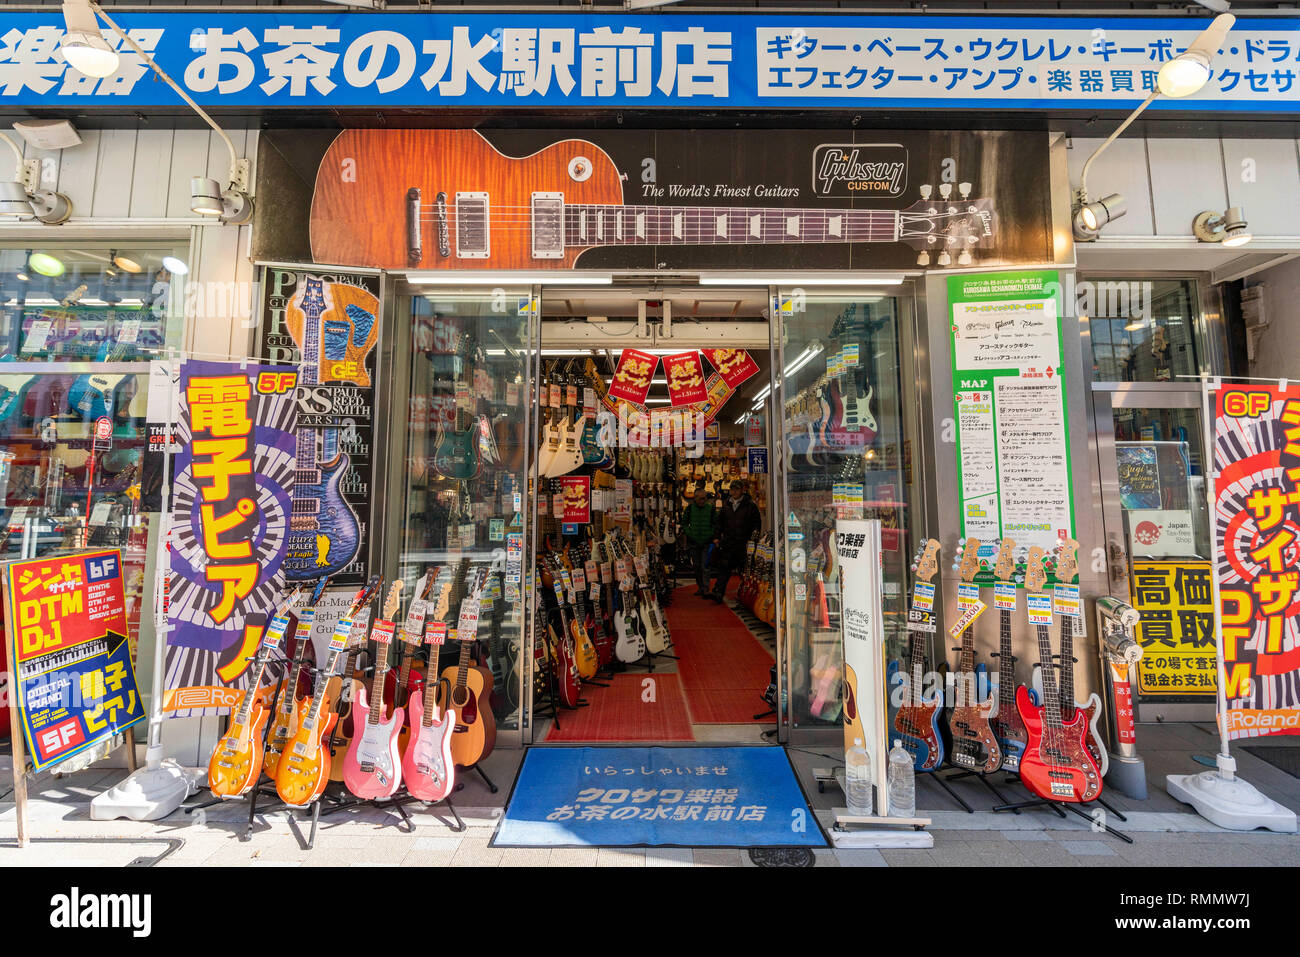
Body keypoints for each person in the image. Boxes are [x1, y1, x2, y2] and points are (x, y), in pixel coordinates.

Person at [708, 480, 761, 602]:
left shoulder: (750, 506)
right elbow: (719, 523)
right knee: (724, 569)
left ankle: (745, 596)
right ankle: (718, 592)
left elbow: (756, 524)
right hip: (728, 543)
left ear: (742, 490)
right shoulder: (726, 505)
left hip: (744, 544)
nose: (734, 491)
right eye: (732, 489)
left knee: (745, 572)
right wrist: (716, 537)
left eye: (737, 489)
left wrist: (753, 541)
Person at [681, 487, 719, 596]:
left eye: (705, 498)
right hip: (694, 542)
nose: (703, 500)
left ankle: (706, 588)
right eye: (701, 498)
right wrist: (690, 533)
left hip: (707, 542)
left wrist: (711, 534)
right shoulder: (689, 508)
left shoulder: (711, 508)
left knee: (705, 566)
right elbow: (684, 523)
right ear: (695, 498)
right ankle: (700, 587)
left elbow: (715, 524)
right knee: (696, 566)